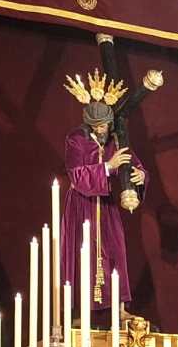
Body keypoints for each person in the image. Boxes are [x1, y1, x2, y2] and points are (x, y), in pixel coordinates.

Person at [61, 70, 147, 318]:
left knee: (115, 249)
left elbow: (133, 162)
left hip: (106, 204)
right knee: (82, 252)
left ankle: (119, 307)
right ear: (88, 124)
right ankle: (81, 310)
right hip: (82, 204)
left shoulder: (115, 139)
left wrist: (140, 175)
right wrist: (108, 167)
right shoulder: (76, 140)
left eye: (105, 125)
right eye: (97, 126)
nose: (102, 130)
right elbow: (76, 175)